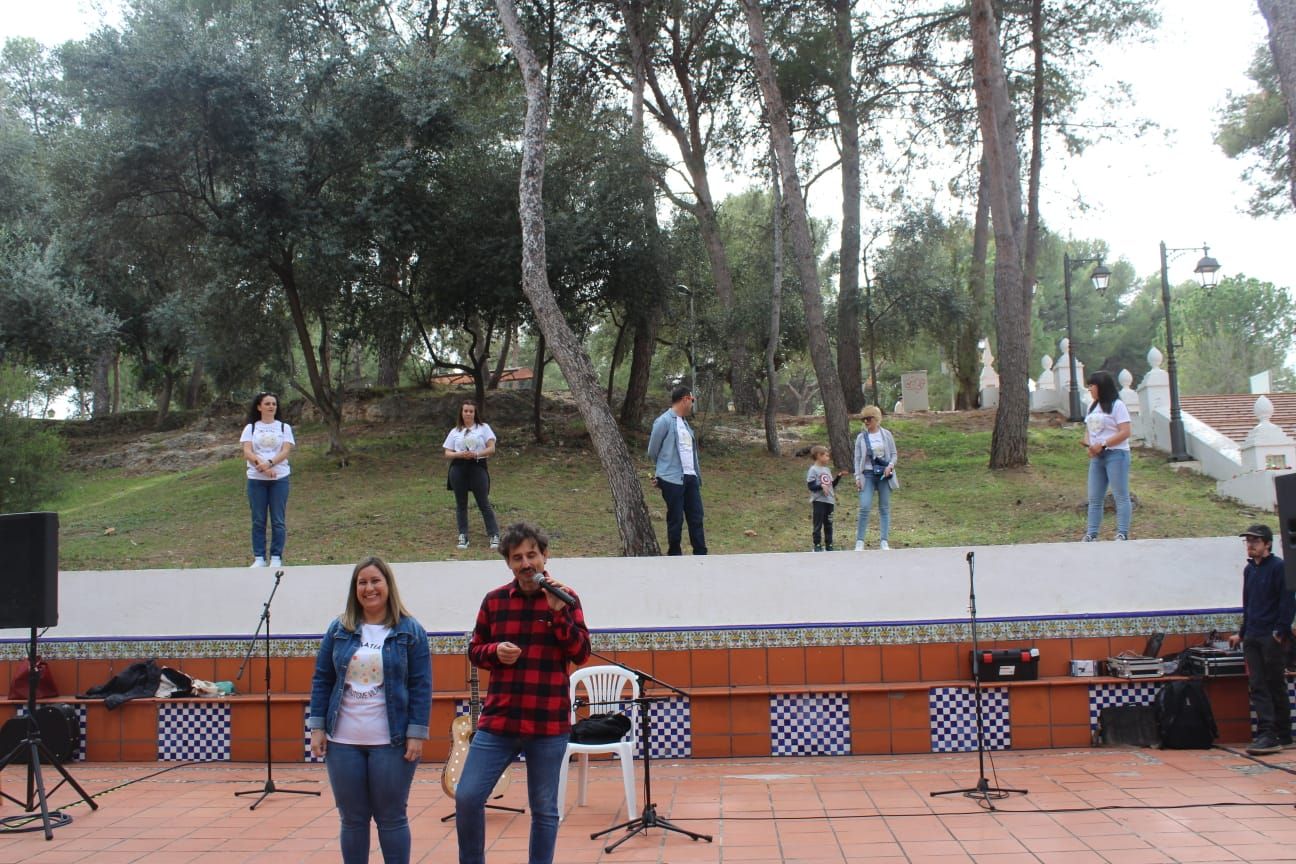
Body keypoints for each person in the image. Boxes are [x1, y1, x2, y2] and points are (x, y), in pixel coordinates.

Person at [455, 522, 590, 864]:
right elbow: (474, 649)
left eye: (532, 554)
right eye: (518, 558)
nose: (526, 563)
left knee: (544, 810)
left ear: (545, 556)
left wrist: (559, 616)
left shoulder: (566, 597)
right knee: (468, 797)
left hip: (547, 724)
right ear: (509, 564)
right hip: (499, 721)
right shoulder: (494, 601)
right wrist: (494, 651)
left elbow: (580, 653)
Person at [309, 557, 432, 864]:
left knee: (391, 817)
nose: (369, 588)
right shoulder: (339, 629)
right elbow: (323, 678)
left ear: (388, 585)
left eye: (375, 581)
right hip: (343, 741)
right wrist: (317, 727)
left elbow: (421, 685)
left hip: (391, 742)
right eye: (362, 582)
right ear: (355, 589)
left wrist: (416, 733)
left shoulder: (410, 630)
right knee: (352, 819)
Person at [1228, 524, 1294, 755]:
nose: (1250, 545)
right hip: (1253, 634)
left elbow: (1287, 602)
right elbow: (1249, 604)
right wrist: (1242, 632)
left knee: (1272, 683)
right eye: (1248, 541)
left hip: (1271, 636)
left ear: (1267, 544)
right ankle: (1276, 733)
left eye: (1255, 541)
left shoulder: (1279, 568)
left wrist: (1280, 632)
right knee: (1258, 684)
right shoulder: (1250, 570)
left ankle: (1274, 734)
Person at [647, 385, 707, 555]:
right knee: (676, 518)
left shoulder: (686, 424)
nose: (692, 405)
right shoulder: (664, 421)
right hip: (672, 479)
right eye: (692, 400)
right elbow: (653, 450)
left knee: (696, 516)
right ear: (685, 399)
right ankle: (674, 555)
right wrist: (662, 472)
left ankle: (701, 554)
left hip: (691, 477)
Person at [240, 392, 294, 568]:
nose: (271, 406)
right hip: (256, 479)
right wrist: (261, 466)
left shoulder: (284, 428)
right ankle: (259, 557)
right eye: (267, 403)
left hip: (280, 478)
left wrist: (270, 464)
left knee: (278, 519)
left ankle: (276, 556)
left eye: (274, 404)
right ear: (259, 407)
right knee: (258, 519)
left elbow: (285, 451)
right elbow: (247, 451)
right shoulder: (251, 428)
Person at [1081, 370, 1132, 541]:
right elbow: (1088, 431)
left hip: (1116, 454)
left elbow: (1125, 432)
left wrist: (1103, 444)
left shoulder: (1117, 405)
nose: (1090, 389)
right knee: (1095, 497)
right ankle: (1091, 533)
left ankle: (1122, 532)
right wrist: (1089, 445)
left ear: (1101, 387)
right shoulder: (1092, 407)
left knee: (1120, 495)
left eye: (1092, 386)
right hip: (1097, 457)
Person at [442, 400, 500, 551]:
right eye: (465, 411)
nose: (468, 413)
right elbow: (447, 453)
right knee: (461, 504)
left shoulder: (483, 428)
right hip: (458, 467)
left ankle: (494, 535)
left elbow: (491, 448)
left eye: (471, 411)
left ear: (475, 413)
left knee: (483, 503)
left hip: (477, 466)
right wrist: (460, 454)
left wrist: (477, 453)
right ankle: (463, 535)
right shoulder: (455, 431)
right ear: (461, 413)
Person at [852, 406, 898, 551]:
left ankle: (884, 540)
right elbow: (857, 458)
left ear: (876, 419)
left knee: (884, 507)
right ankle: (860, 541)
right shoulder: (861, 437)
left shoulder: (886, 435)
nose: (866, 422)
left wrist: (890, 466)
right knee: (865, 506)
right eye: (864, 419)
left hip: (884, 475)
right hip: (868, 474)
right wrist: (857, 477)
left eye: (869, 419)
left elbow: (894, 454)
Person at [806, 445, 847, 552]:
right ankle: (817, 545)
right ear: (819, 456)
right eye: (826, 456)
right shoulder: (813, 470)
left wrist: (838, 476)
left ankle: (829, 545)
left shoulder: (827, 469)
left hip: (830, 501)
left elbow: (831, 485)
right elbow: (811, 486)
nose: (828, 458)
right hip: (819, 501)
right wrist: (821, 486)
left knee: (829, 524)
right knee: (818, 524)